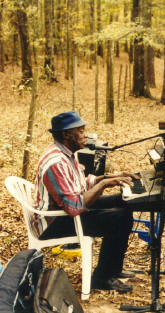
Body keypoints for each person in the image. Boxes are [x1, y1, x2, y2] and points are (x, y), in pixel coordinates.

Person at [33, 111, 137, 293]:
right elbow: (74, 206)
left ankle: (113, 269)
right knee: (118, 218)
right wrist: (104, 183)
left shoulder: (68, 153)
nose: (85, 135)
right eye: (80, 131)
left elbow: (81, 184)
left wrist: (112, 176)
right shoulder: (56, 161)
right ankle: (102, 278)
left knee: (124, 202)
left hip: (65, 211)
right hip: (52, 223)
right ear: (66, 134)